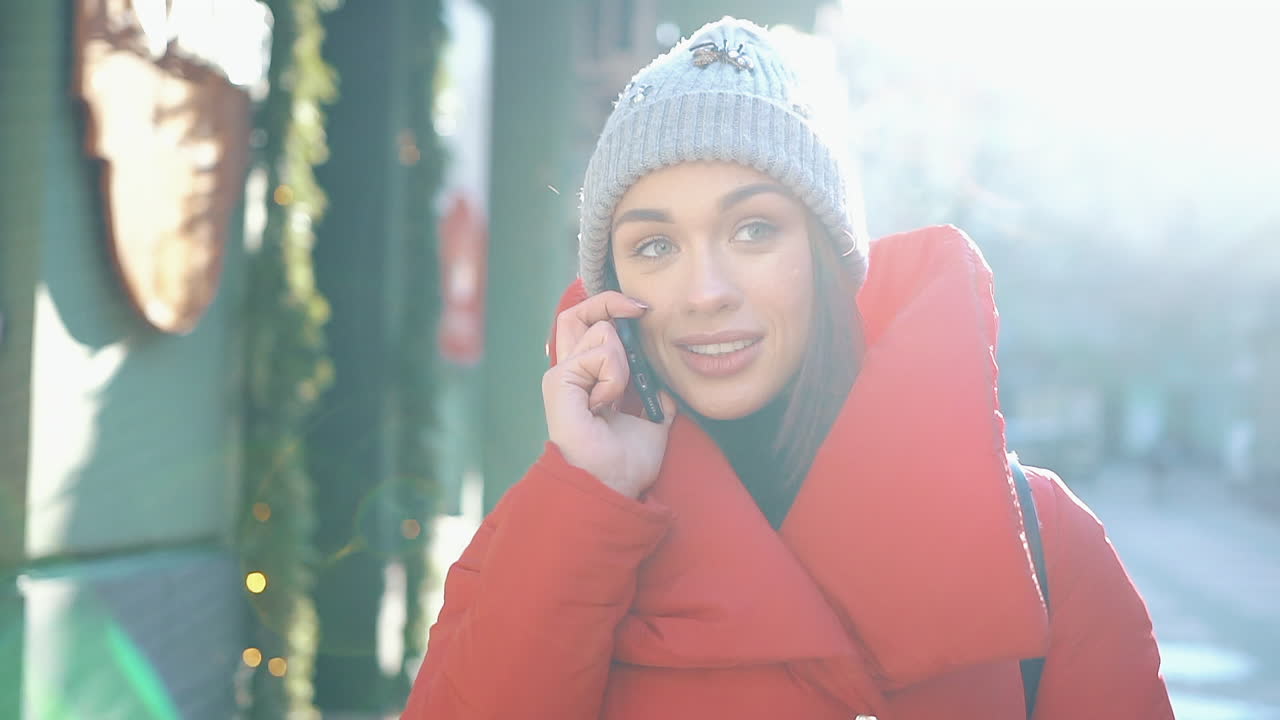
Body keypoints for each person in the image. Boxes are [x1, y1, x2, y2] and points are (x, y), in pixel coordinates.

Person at [404, 17, 1174, 720]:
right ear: (613, 293)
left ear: (827, 257)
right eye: (655, 247)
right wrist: (593, 500)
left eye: (753, 229)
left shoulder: (1042, 546)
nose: (706, 293)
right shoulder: (560, 528)